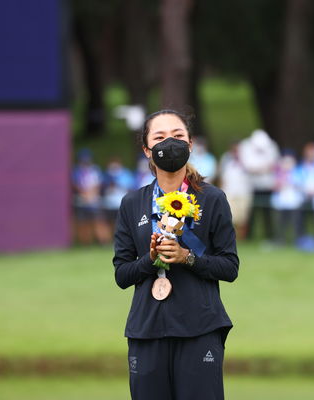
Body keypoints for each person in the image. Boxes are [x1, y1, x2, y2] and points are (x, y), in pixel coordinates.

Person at [113, 109, 238, 400]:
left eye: (178, 136)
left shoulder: (212, 199)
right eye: (160, 137)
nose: (170, 143)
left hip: (199, 328)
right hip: (146, 331)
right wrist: (149, 258)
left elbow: (229, 267)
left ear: (190, 144)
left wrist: (187, 258)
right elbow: (121, 274)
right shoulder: (132, 203)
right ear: (147, 149)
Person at [239, 129, 280, 241]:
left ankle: (270, 235)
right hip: (252, 186)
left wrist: (260, 169)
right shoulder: (246, 147)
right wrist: (262, 168)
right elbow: (249, 166)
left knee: (267, 212)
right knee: (251, 212)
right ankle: (248, 236)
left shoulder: (272, 147)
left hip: (267, 185)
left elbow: (273, 165)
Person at [72, 149, 111, 245]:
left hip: (94, 199)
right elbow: (76, 184)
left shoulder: (95, 169)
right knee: (83, 222)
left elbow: (99, 184)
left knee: (99, 221)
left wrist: (92, 194)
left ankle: (104, 241)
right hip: (82, 199)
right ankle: (86, 242)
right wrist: (85, 194)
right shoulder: (77, 171)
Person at [218, 141, 253, 240]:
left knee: (242, 216)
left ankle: (242, 237)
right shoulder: (226, 158)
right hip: (229, 190)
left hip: (243, 191)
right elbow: (221, 174)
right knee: (230, 215)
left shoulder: (247, 158)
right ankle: (231, 236)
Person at [271, 150, 303, 245]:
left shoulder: (297, 173)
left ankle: (297, 241)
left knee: (295, 223)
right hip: (281, 202)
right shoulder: (278, 174)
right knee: (281, 223)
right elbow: (274, 187)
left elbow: (299, 185)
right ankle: (280, 240)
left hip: (294, 202)